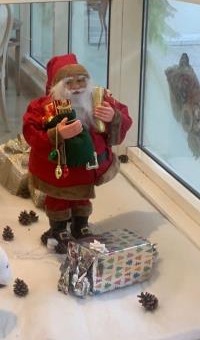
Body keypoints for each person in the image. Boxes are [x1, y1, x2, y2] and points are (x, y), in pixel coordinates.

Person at [22, 54, 132, 253]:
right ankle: (58, 229)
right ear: (57, 86)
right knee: (58, 198)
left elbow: (124, 116)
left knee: (82, 196)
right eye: (69, 83)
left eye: (81, 81)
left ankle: (81, 225)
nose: (77, 87)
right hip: (58, 170)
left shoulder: (98, 99)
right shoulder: (42, 108)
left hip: (85, 169)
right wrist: (56, 134)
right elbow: (30, 131)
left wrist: (114, 117)